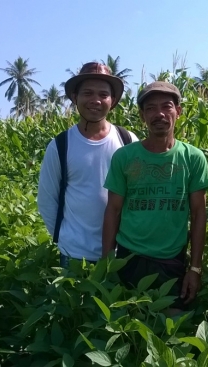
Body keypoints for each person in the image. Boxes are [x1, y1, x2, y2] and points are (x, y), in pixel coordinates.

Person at [102, 81, 208, 313]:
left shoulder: (193, 158)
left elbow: (199, 213)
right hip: (129, 259)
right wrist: (107, 261)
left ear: (178, 112)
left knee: (173, 331)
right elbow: (113, 209)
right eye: (150, 108)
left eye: (167, 106)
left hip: (172, 262)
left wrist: (195, 269)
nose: (159, 114)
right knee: (129, 329)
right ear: (142, 115)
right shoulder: (124, 157)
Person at [37, 62, 138, 267]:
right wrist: (65, 238)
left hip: (120, 253)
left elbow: (138, 194)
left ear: (113, 100)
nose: (95, 100)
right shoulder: (61, 145)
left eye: (103, 94)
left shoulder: (127, 140)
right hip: (74, 254)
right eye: (88, 93)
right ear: (75, 97)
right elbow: (47, 199)